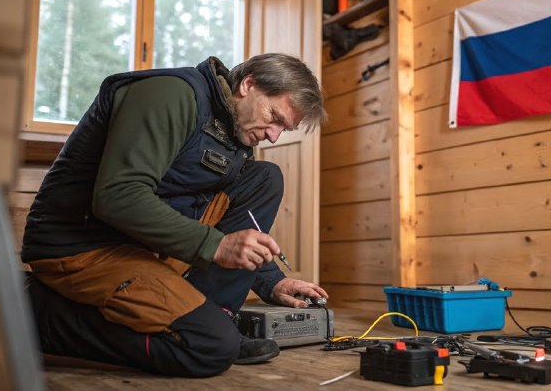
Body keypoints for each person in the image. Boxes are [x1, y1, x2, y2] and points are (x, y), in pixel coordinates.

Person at [21, 54, 329, 378]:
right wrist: (218, 245)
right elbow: (118, 196)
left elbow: (228, 219)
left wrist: (271, 281)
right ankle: (35, 311)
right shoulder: (171, 93)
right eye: (275, 117)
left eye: (285, 128)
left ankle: (216, 316)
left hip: (141, 248)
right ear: (248, 84)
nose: (274, 135)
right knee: (209, 348)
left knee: (265, 176)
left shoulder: (232, 129)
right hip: (81, 246)